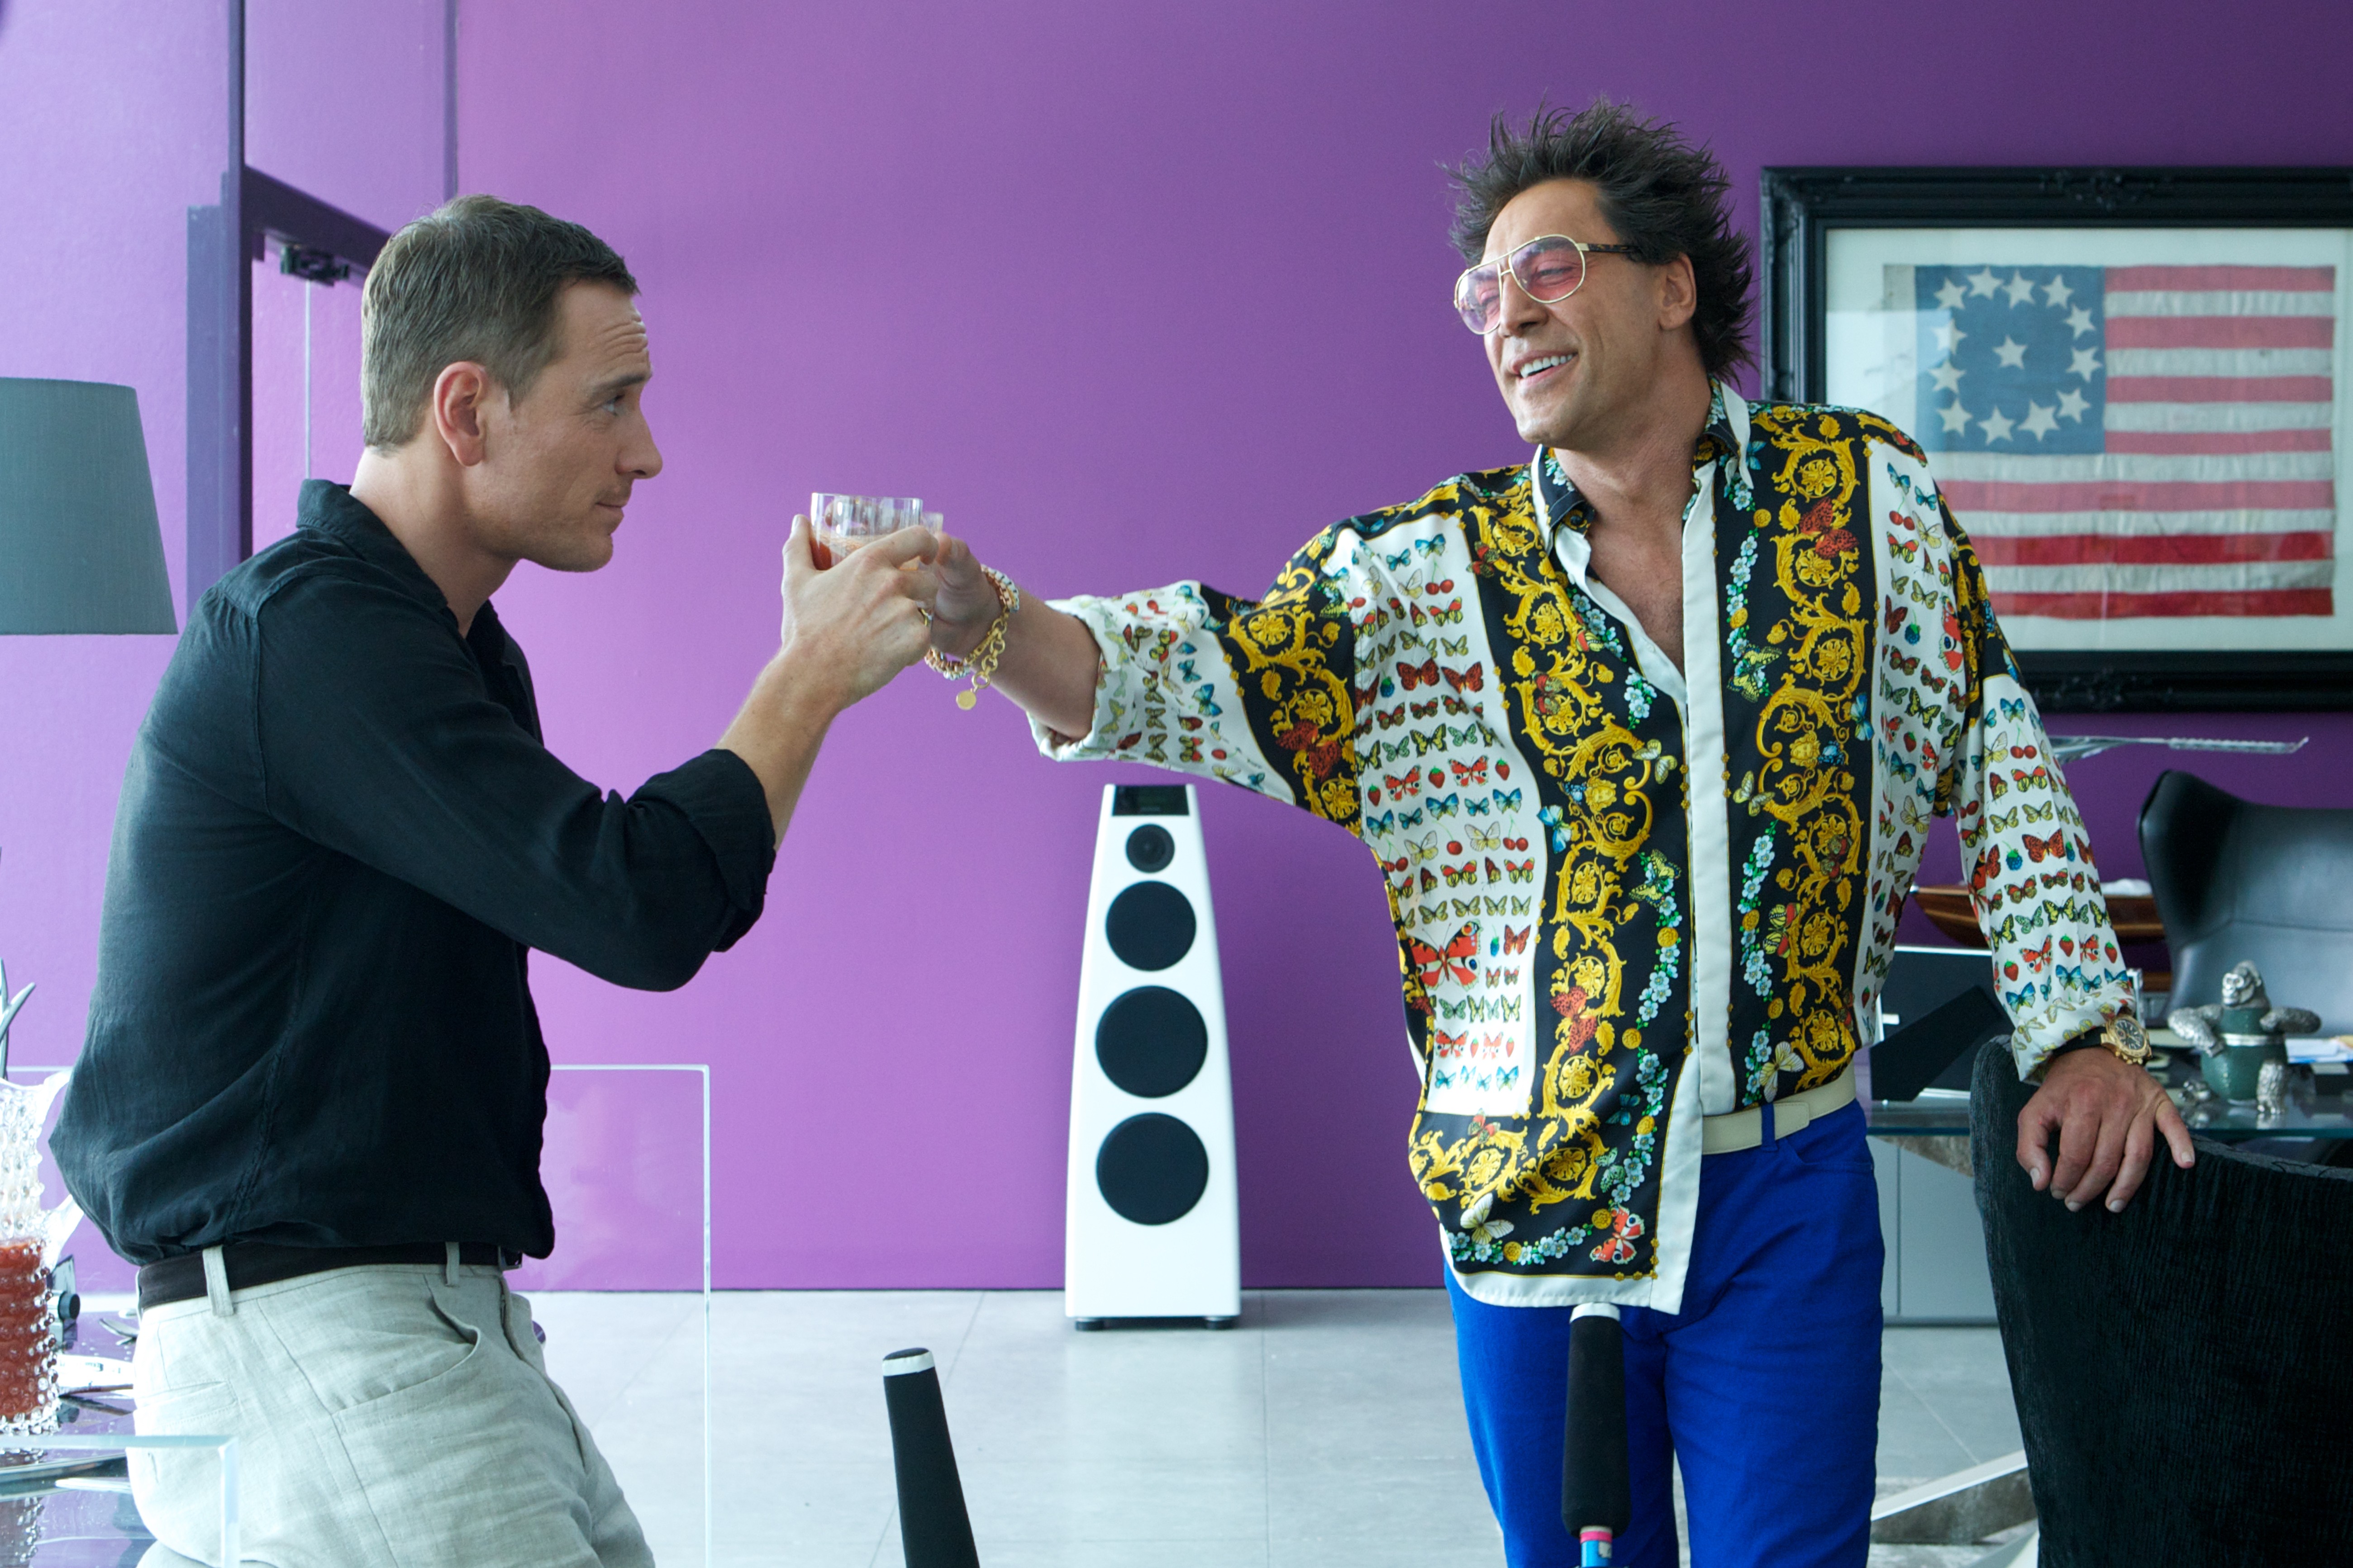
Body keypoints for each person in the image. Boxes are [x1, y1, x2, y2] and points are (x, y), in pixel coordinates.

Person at [915, 102, 2189, 1567]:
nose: (1508, 315)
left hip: (1788, 1192)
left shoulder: (1866, 501)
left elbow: (1993, 741)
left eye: (1551, 270)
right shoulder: (1419, 579)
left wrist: (2082, 1030)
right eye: (1485, 292)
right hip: (1532, 1215)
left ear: (1673, 285)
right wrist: (984, 619)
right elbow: (1190, 672)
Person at [55, 195, 939, 1567]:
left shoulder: (453, 649)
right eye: (611, 401)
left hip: (421, 1328)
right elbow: (633, 905)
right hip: (326, 1343)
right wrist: (809, 673)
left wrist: (806, 680)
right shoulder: (310, 636)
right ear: (465, 411)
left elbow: (646, 900)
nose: (646, 452)